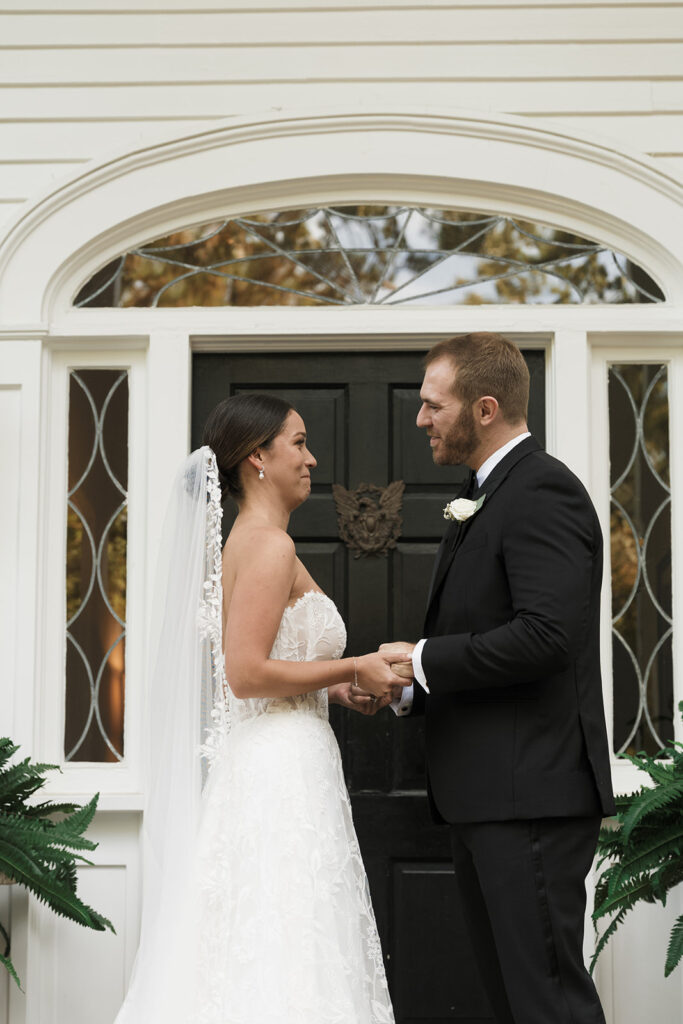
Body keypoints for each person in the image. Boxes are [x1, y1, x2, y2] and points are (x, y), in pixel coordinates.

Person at [113, 392, 409, 1024]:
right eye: (298, 443)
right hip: (280, 770)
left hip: (274, 759)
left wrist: (329, 689)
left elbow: (262, 662)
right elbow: (245, 675)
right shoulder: (269, 548)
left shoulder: (259, 542)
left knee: (268, 935)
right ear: (257, 458)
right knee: (288, 939)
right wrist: (353, 666)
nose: (312, 458)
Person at [377, 333, 616, 1024]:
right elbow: (490, 628)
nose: (420, 419)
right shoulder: (480, 492)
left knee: (545, 1001)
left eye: (432, 405)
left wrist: (423, 659)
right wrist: (409, 687)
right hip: (489, 796)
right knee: (515, 1003)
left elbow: (548, 635)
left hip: (529, 797)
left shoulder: (541, 489)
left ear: (484, 409)